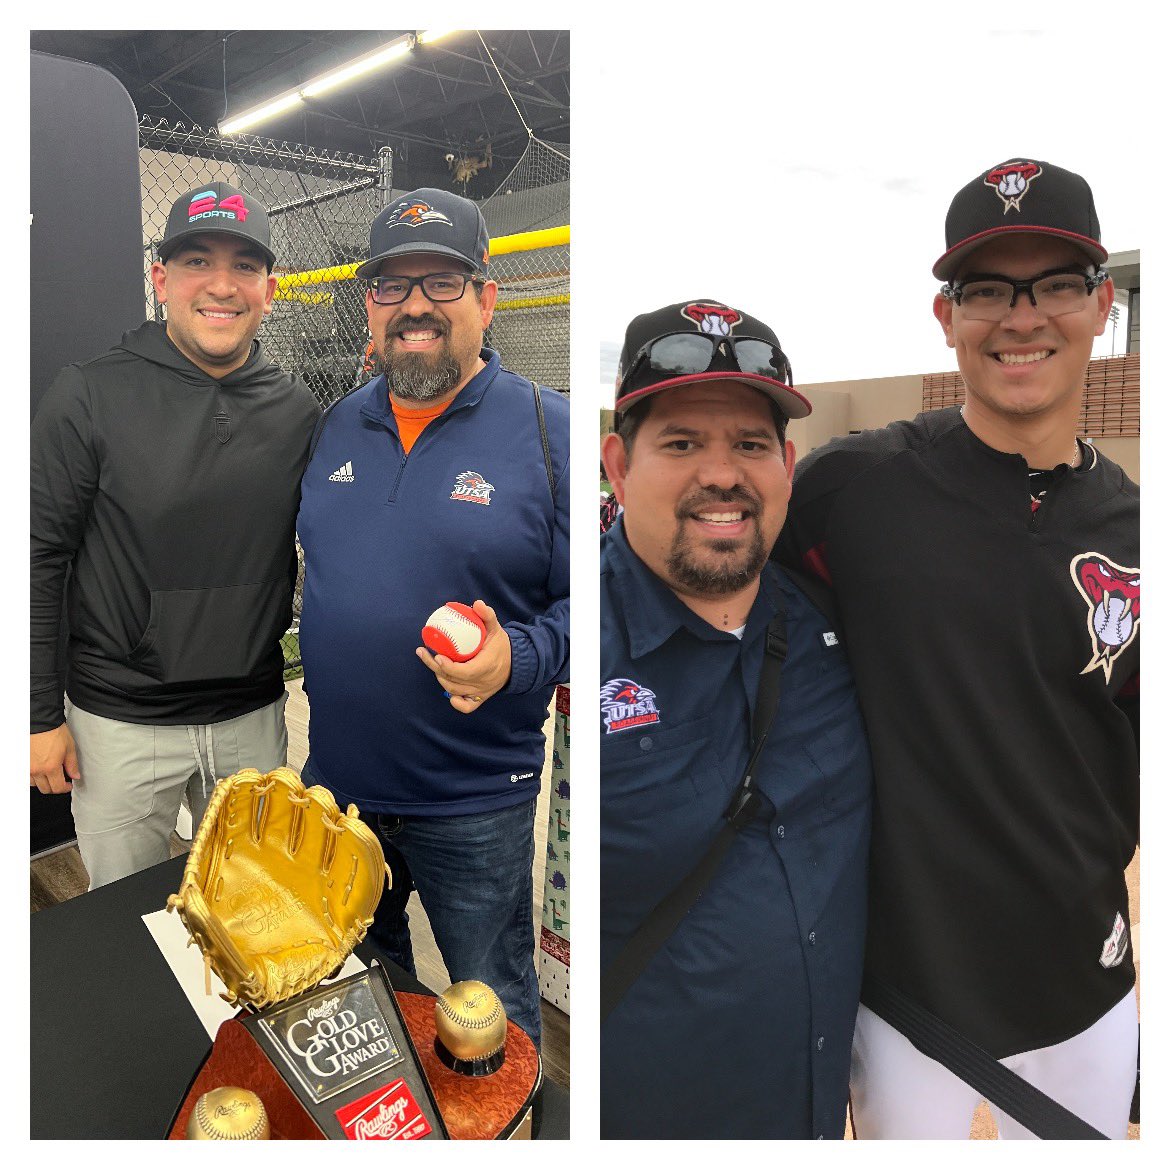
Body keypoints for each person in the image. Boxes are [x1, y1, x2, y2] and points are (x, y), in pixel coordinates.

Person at [775, 159, 1139, 1139]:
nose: (1023, 318)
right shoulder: (852, 491)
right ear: (947, 317)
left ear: (1101, 305)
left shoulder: (1139, 531)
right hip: (905, 993)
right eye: (987, 289)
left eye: (1057, 284)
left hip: (1084, 985)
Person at [296, 188, 569, 1047]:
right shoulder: (336, 425)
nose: (415, 304)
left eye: (443, 281)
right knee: (347, 1008)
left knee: (493, 1020)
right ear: (370, 307)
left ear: (488, 298)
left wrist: (516, 659)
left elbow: (599, 610)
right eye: (392, 285)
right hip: (338, 791)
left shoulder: (547, 429)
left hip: (474, 804)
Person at [599, 300, 872, 1138]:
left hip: (816, 1106)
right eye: (681, 443)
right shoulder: (577, 654)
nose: (723, 475)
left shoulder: (839, 624)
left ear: (787, 464)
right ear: (617, 463)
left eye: (751, 445)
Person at [31, 181, 321, 889]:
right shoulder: (89, 393)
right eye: (197, 260)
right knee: (126, 924)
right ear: (161, 279)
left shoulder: (298, 411)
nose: (222, 285)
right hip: (120, 726)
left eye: (244, 265)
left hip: (251, 716)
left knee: (256, 917)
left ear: (269, 289)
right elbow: (37, 559)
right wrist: (37, 716)